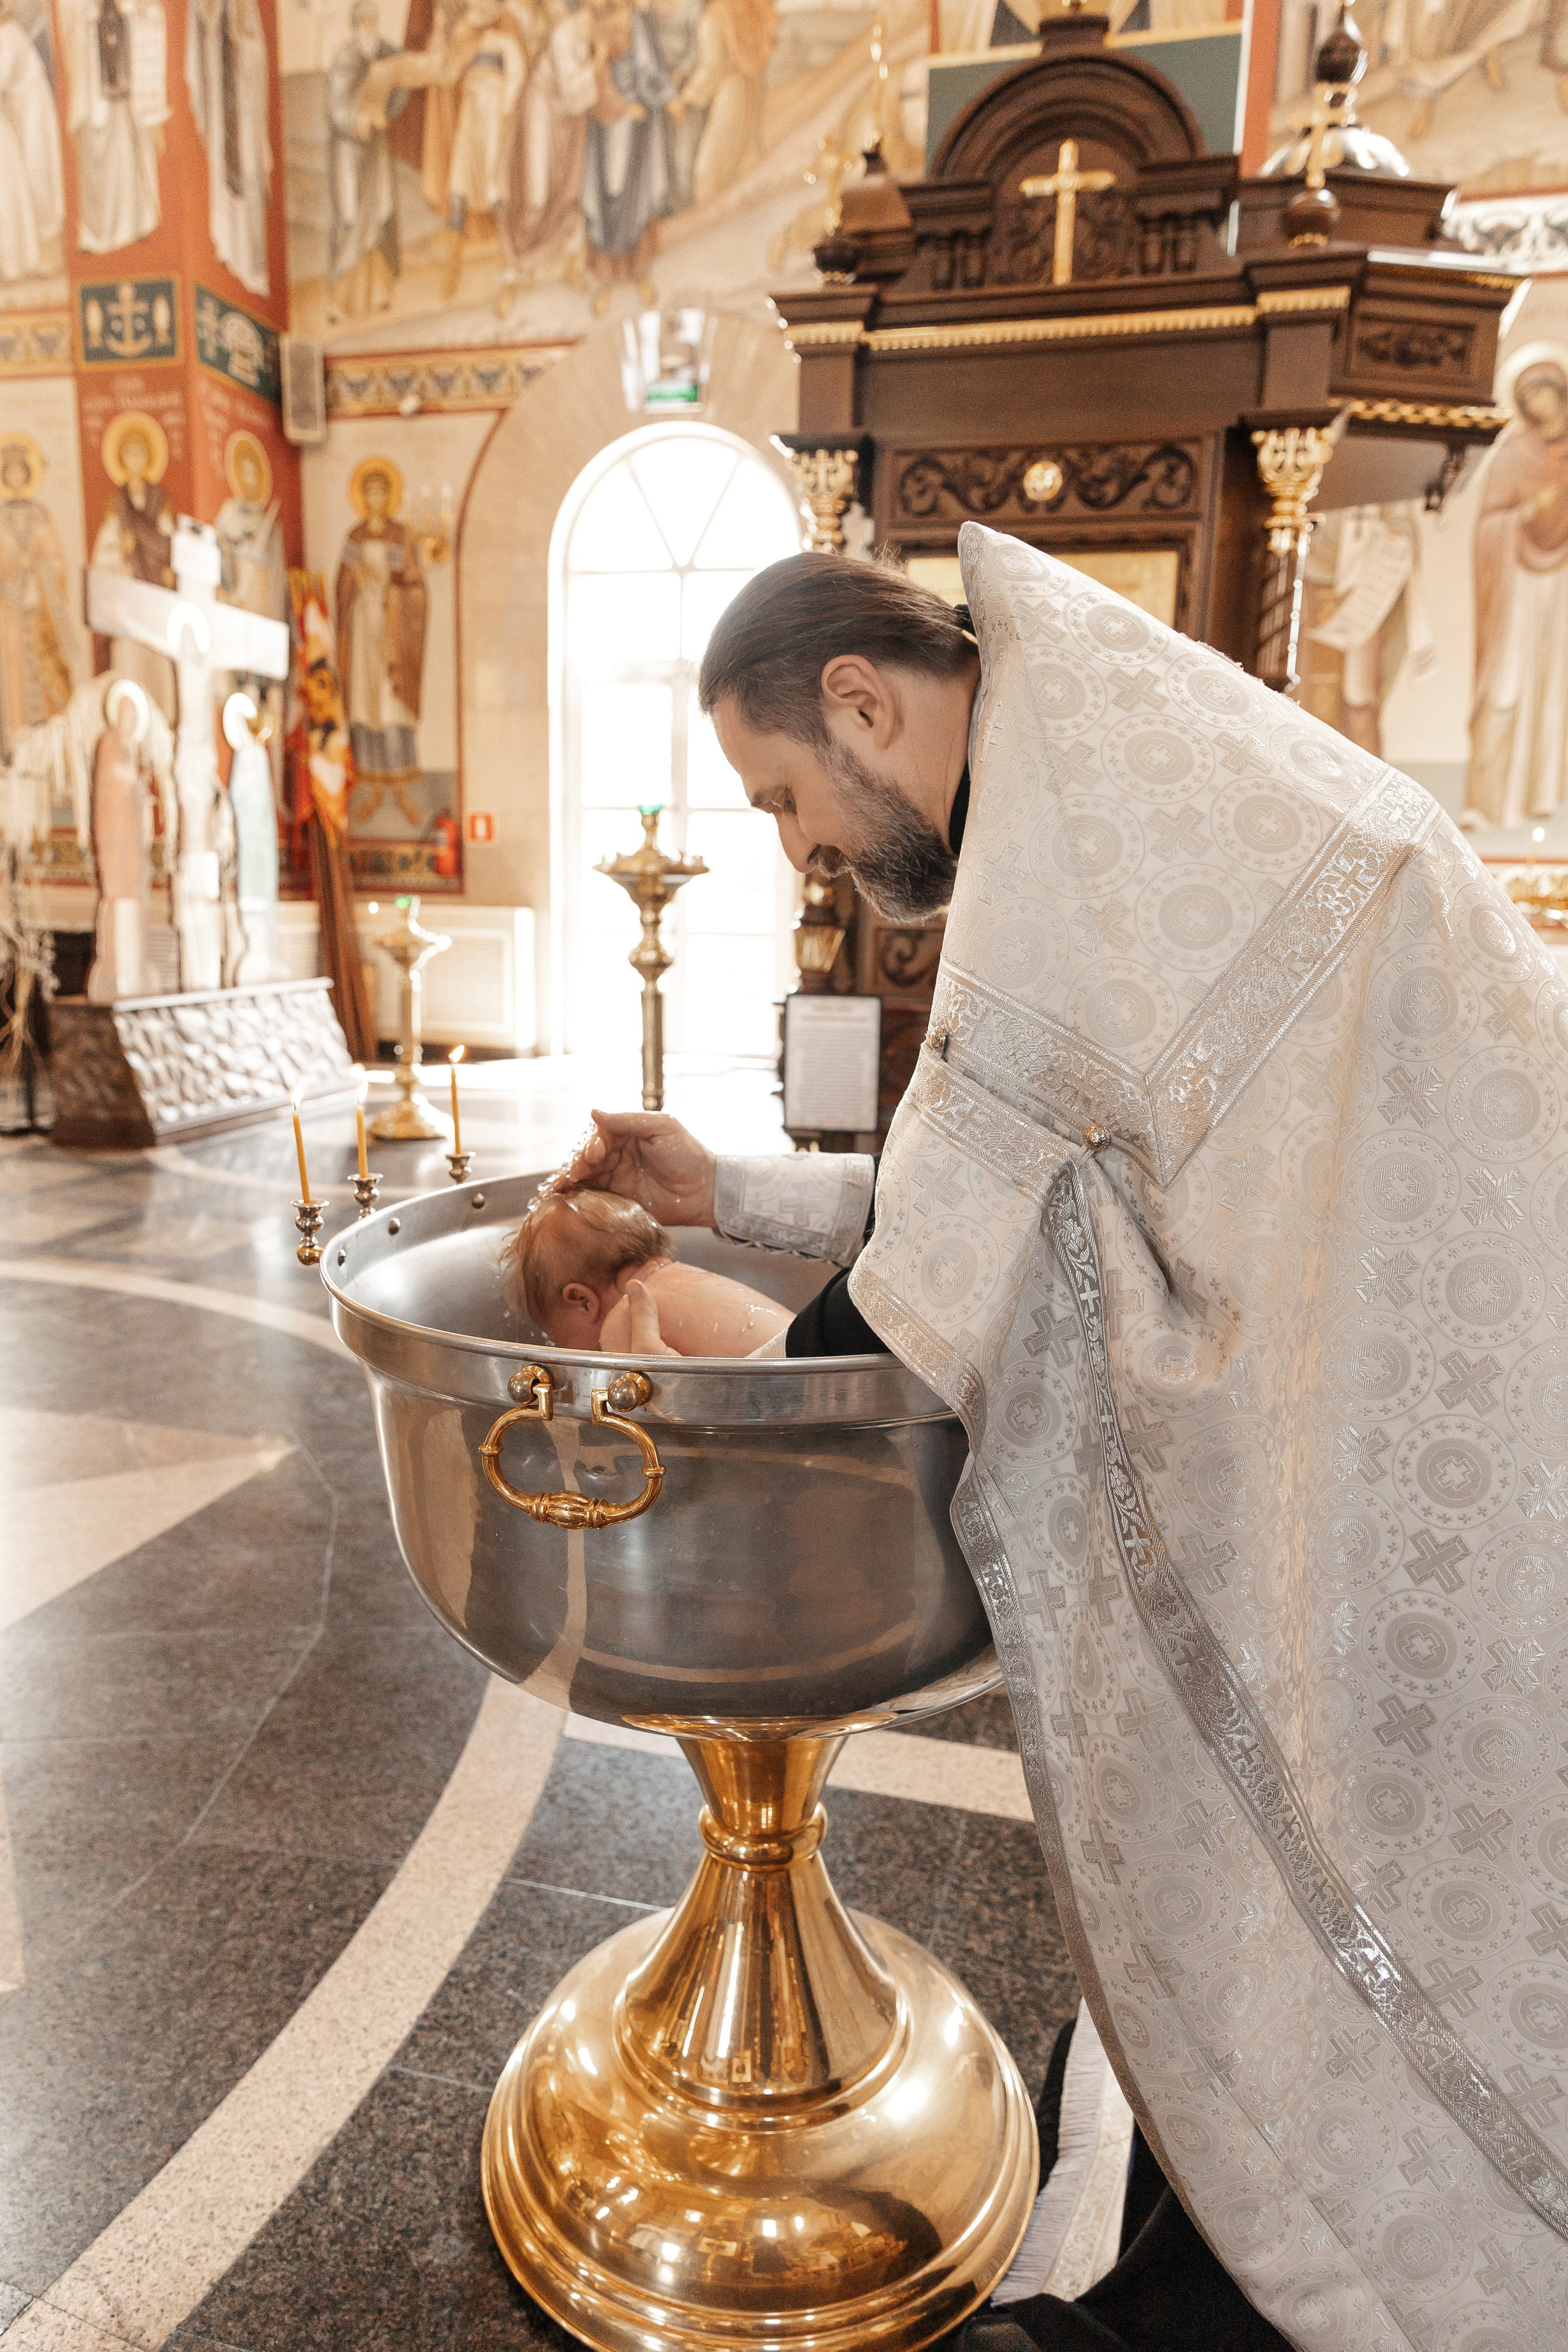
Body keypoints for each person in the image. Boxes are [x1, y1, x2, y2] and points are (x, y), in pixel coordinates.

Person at [554, 525, 1568, 2351]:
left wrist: (730, 1452)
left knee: (1339, 1863)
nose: (797, 848)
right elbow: (1016, 1199)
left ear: (861, 702)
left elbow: (943, 1272)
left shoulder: (1068, 819)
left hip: (1435, 1400)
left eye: (783, 794)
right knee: (1314, 1864)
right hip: (1444, 1360)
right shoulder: (1092, 745)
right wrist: (722, 1194)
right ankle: (1221, 2246)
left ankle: (1245, 2299)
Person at [1466, 344, 1568, 829]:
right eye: (1528, 395)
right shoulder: (1511, 454)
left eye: (1544, 391)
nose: (1539, 402)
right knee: (1505, 683)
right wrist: (1525, 514)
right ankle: (1486, 804)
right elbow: (1487, 524)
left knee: (1557, 687)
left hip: (1563, 582)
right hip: (1517, 581)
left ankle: (1545, 799)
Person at [503, 1188, 793, 1353]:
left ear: (583, 1302)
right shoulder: (687, 1276)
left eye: (560, 1342)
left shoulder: (624, 1323)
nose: (564, 1352)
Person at [334, 456, 427, 821]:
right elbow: (342, 584)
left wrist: (393, 587)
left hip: (392, 629)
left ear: (389, 497)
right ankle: (370, 788)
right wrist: (354, 582)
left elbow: (417, 586)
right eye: (369, 492)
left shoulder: (402, 536)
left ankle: (403, 791)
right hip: (362, 630)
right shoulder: (354, 538)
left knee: (391, 706)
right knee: (365, 705)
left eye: (381, 491)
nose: (375, 498)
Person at [62, 0, 168, 254]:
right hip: (92, 81)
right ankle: (97, 233)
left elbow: (151, 10)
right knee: (96, 161)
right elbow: (69, 15)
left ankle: (139, 223)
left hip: (130, 79)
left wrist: (128, 8)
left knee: (131, 153)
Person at [185, 0, 271, 296]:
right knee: (222, 177)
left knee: (249, 179)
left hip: (244, 109)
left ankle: (251, 261)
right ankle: (228, 245)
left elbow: (257, 50)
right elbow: (194, 60)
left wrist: (240, 42)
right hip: (220, 106)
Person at [326, 0, 405, 318]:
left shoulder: (385, 52)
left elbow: (400, 85)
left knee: (381, 214)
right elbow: (337, 108)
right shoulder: (346, 58)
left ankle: (379, 295)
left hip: (376, 150)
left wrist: (385, 112)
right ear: (356, 26)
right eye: (366, 22)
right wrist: (360, 118)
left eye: (375, 21)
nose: (372, 27)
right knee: (352, 217)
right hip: (351, 153)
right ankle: (342, 300)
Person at [0, 434, 76, 756]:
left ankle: (52, 745)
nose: (16, 477)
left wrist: (38, 565)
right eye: (10, 472)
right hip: (9, 611)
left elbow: (57, 562)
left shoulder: (40, 515)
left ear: (28, 475)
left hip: (39, 609)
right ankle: (15, 742)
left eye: (21, 471)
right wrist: (14, 568)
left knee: (48, 672)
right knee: (13, 674)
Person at [0, 0, 65, 284]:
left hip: (32, 113)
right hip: (16, 116)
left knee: (40, 183)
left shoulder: (8, 34)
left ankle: (46, 258)